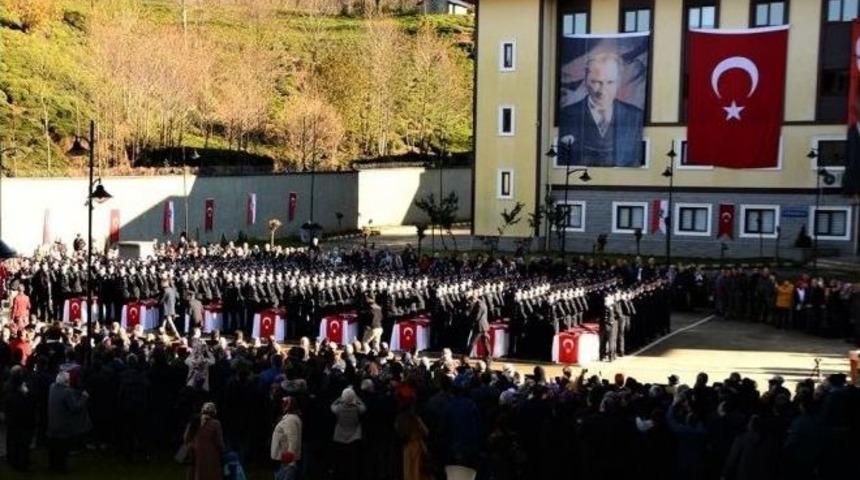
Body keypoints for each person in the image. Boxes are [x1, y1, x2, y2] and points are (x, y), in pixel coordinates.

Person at [559, 52, 644, 167]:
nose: (602, 91)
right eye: (596, 82)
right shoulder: (566, 115)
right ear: (586, 80)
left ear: (619, 81)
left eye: (610, 82)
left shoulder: (635, 117)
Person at [46, 371, 91, 472]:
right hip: (63, 425)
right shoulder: (67, 392)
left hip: (52, 423)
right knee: (62, 448)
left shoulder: (52, 387)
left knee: (54, 447)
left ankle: (52, 465)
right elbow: (75, 408)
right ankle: (61, 467)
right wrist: (84, 398)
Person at [4, 366, 36, 471]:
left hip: (13, 418)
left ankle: (13, 459)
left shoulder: (8, 386)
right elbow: (29, 400)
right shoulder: (21, 388)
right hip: (21, 418)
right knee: (22, 442)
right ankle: (21, 463)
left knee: (14, 440)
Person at [331, 387, 366, 479]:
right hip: (354, 436)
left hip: (339, 436)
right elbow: (363, 407)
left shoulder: (338, 409)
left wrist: (340, 398)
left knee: (341, 460)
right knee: (352, 461)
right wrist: (356, 398)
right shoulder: (357, 409)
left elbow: (332, 405)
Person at [184, 402, 225, 480]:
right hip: (211, 453)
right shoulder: (216, 423)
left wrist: (190, 445)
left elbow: (186, 437)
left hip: (193, 451)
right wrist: (223, 450)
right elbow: (219, 441)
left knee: (194, 472)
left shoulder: (194, 421)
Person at [271, 396, 302, 480]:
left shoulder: (290, 420)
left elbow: (292, 438)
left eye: (284, 404)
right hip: (284, 457)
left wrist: (289, 456)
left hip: (286, 459)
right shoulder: (289, 417)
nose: (282, 406)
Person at [468, 293, 491, 364]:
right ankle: (488, 357)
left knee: (472, 342)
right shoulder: (481, 303)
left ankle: (466, 356)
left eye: (471, 302)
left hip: (479, 327)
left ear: (474, 300)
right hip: (483, 327)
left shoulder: (479, 305)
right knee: (485, 343)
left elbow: (477, 317)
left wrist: (470, 319)